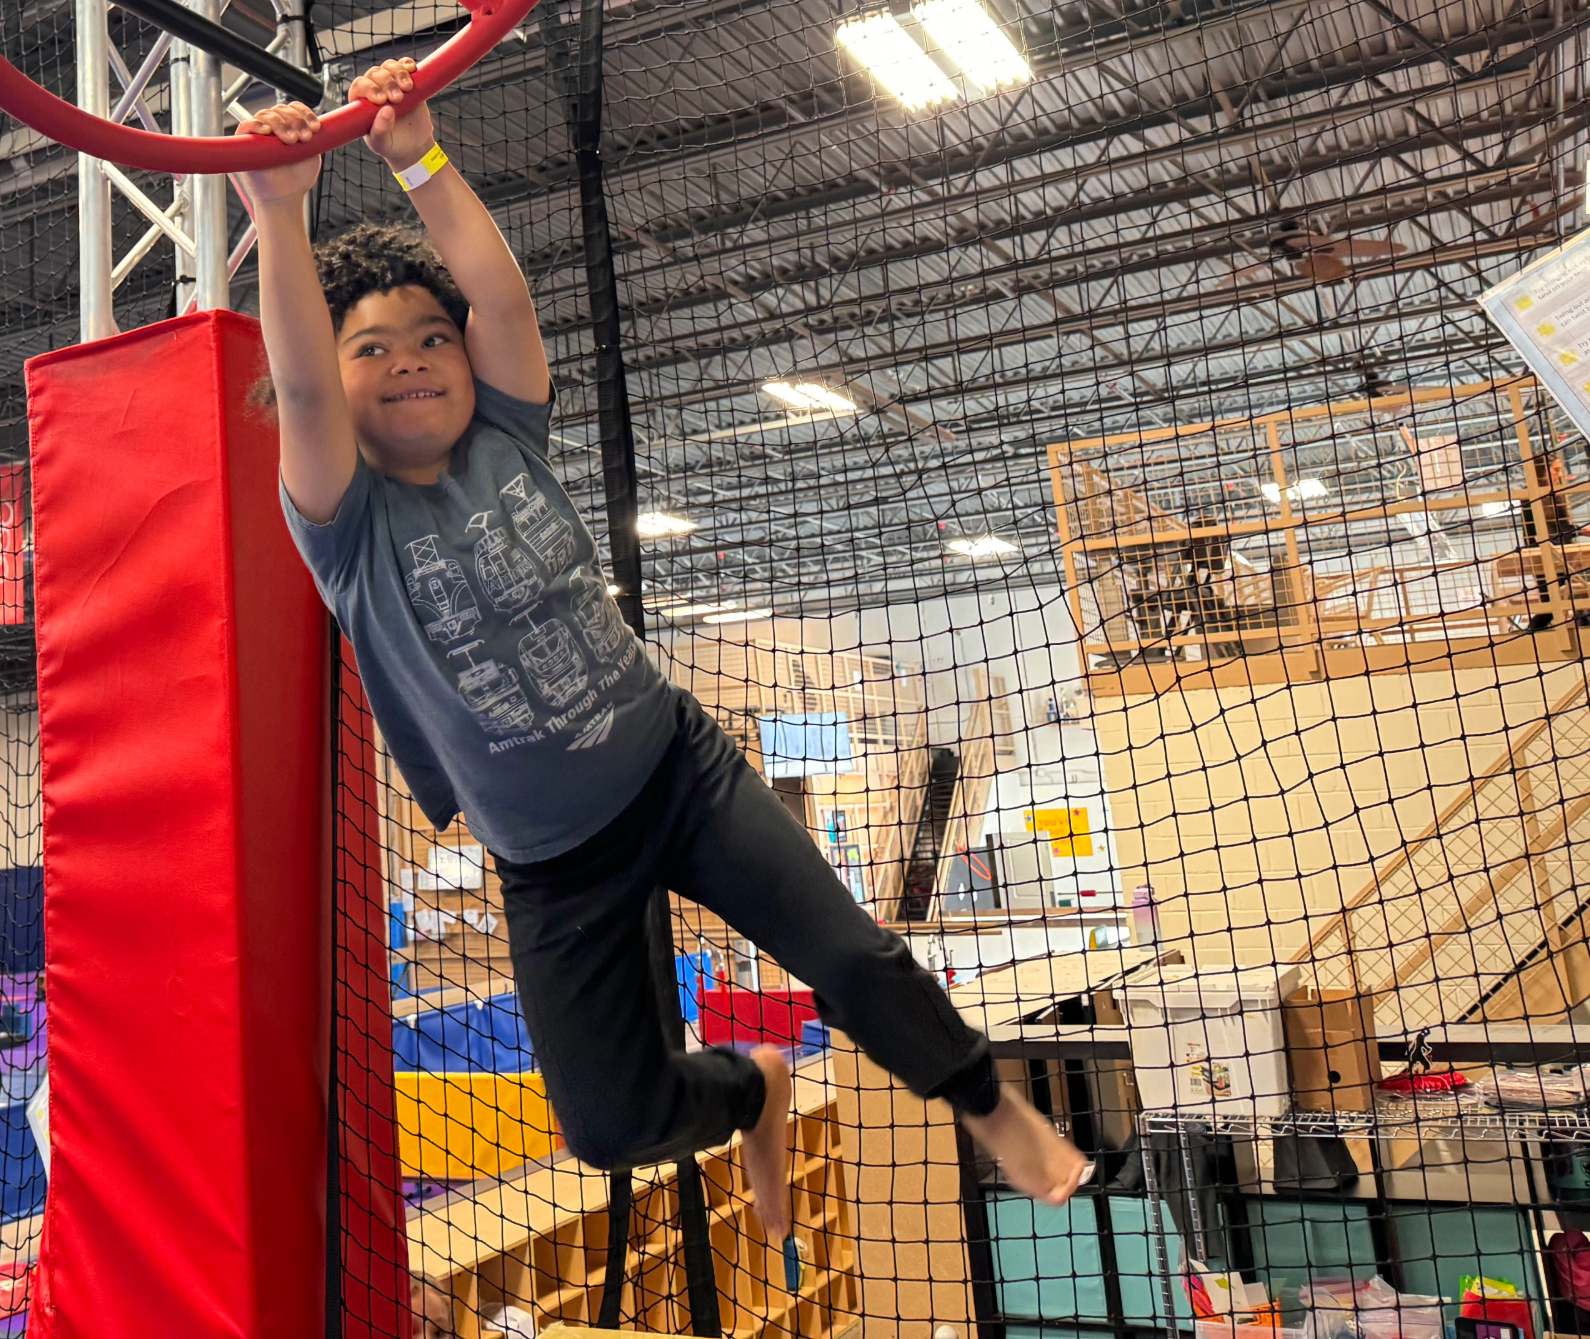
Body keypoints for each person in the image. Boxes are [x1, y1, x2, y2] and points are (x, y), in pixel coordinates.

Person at [237, 61, 1089, 1261]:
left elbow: (506, 303)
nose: (415, 358)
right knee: (607, 1125)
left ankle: (987, 1106)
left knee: (853, 954)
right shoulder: (347, 523)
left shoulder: (505, 438)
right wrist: (279, 212)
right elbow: (304, 394)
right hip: (552, 864)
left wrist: (419, 159)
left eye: (433, 337)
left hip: (676, 771)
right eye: (372, 349)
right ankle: (746, 1092)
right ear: (336, 378)